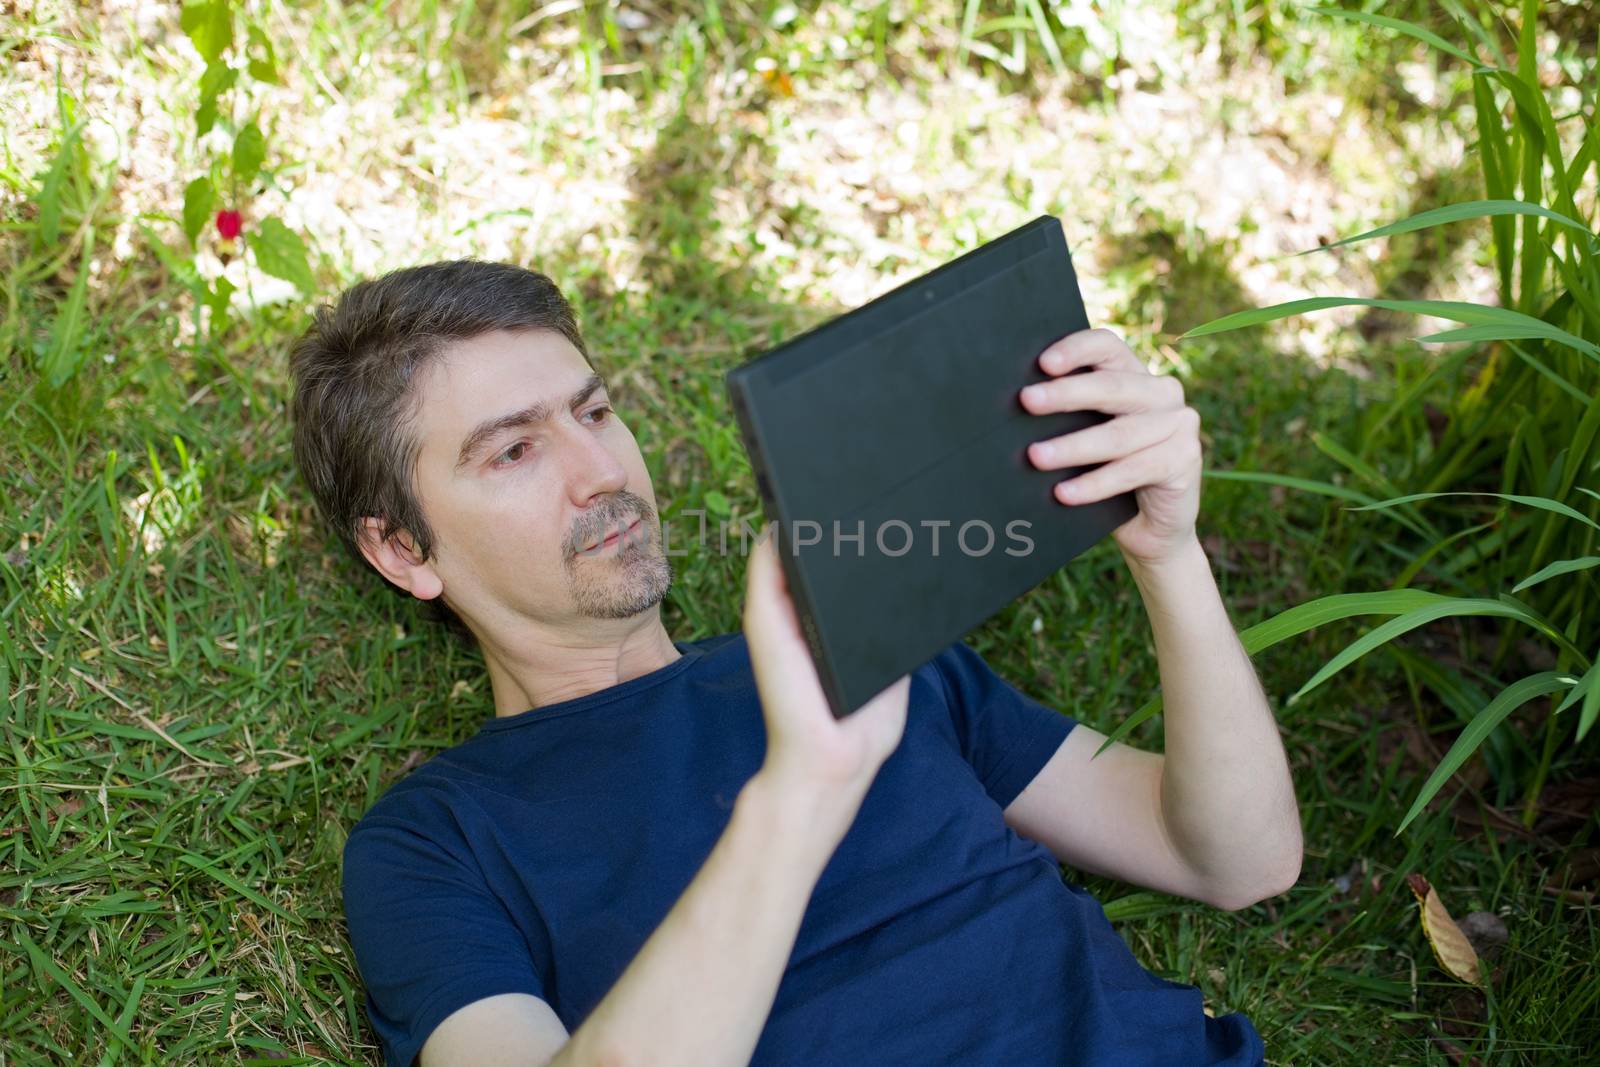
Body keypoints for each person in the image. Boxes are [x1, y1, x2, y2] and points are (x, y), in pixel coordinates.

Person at [289, 258, 1302, 1067]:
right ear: (403, 550)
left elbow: (1236, 859)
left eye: (593, 414)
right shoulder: (433, 843)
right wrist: (807, 786)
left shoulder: (867, 644)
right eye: (513, 451)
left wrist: (1166, 553)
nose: (600, 472)